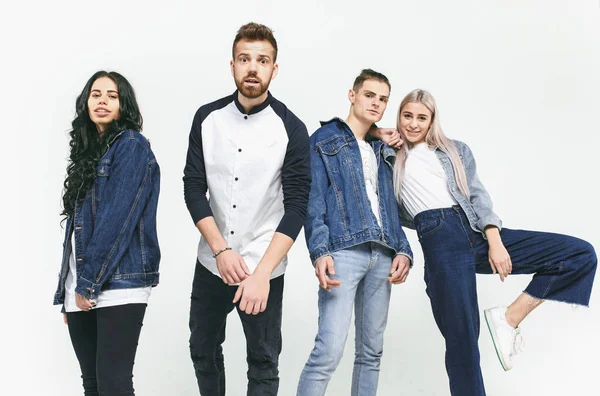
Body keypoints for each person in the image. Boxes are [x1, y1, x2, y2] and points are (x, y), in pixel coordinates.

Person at [380, 88, 597, 395]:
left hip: (476, 231)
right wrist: (379, 132)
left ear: (432, 121)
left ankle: (509, 318)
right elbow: (356, 135)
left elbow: (478, 197)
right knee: (463, 343)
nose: (414, 124)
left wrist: (495, 242)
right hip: (439, 240)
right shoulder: (388, 157)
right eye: (407, 116)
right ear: (398, 117)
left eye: (422, 118)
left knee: (579, 254)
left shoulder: (456, 150)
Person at [183, 22, 311, 396]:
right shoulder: (207, 118)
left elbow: (297, 206)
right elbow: (193, 187)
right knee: (202, 351)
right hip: (212, 262)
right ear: (232, 65)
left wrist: (261, 273)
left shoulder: (292, 127)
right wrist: (220, 250)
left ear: (274, 68)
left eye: (262, 60)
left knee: (263, 363)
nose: (252, 67)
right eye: (245, 59)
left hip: (263, 266)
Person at [297, 69, 413, 396]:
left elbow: (387, 202)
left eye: (383, 99)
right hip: (344, 252)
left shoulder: (381, 148)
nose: (376, 103)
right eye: (369, 95)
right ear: (352, 95)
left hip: (383, 255)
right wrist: (319, 252)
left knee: (371, 353)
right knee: (328, 350)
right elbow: (313, 199)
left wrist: (403, 249)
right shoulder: (324, 140)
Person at [53, 70, 161, 396]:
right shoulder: (89, 154)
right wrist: (69, 290)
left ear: (123, 104)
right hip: (81, 285)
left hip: (118, 284)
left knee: (113, 383)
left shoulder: (131, 147)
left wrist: (88, 283)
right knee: (93, 384)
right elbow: (78, 233)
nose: (102, 101)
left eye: (112, 95)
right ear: (86, 102)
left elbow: (118, 222)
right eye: (96, 94)